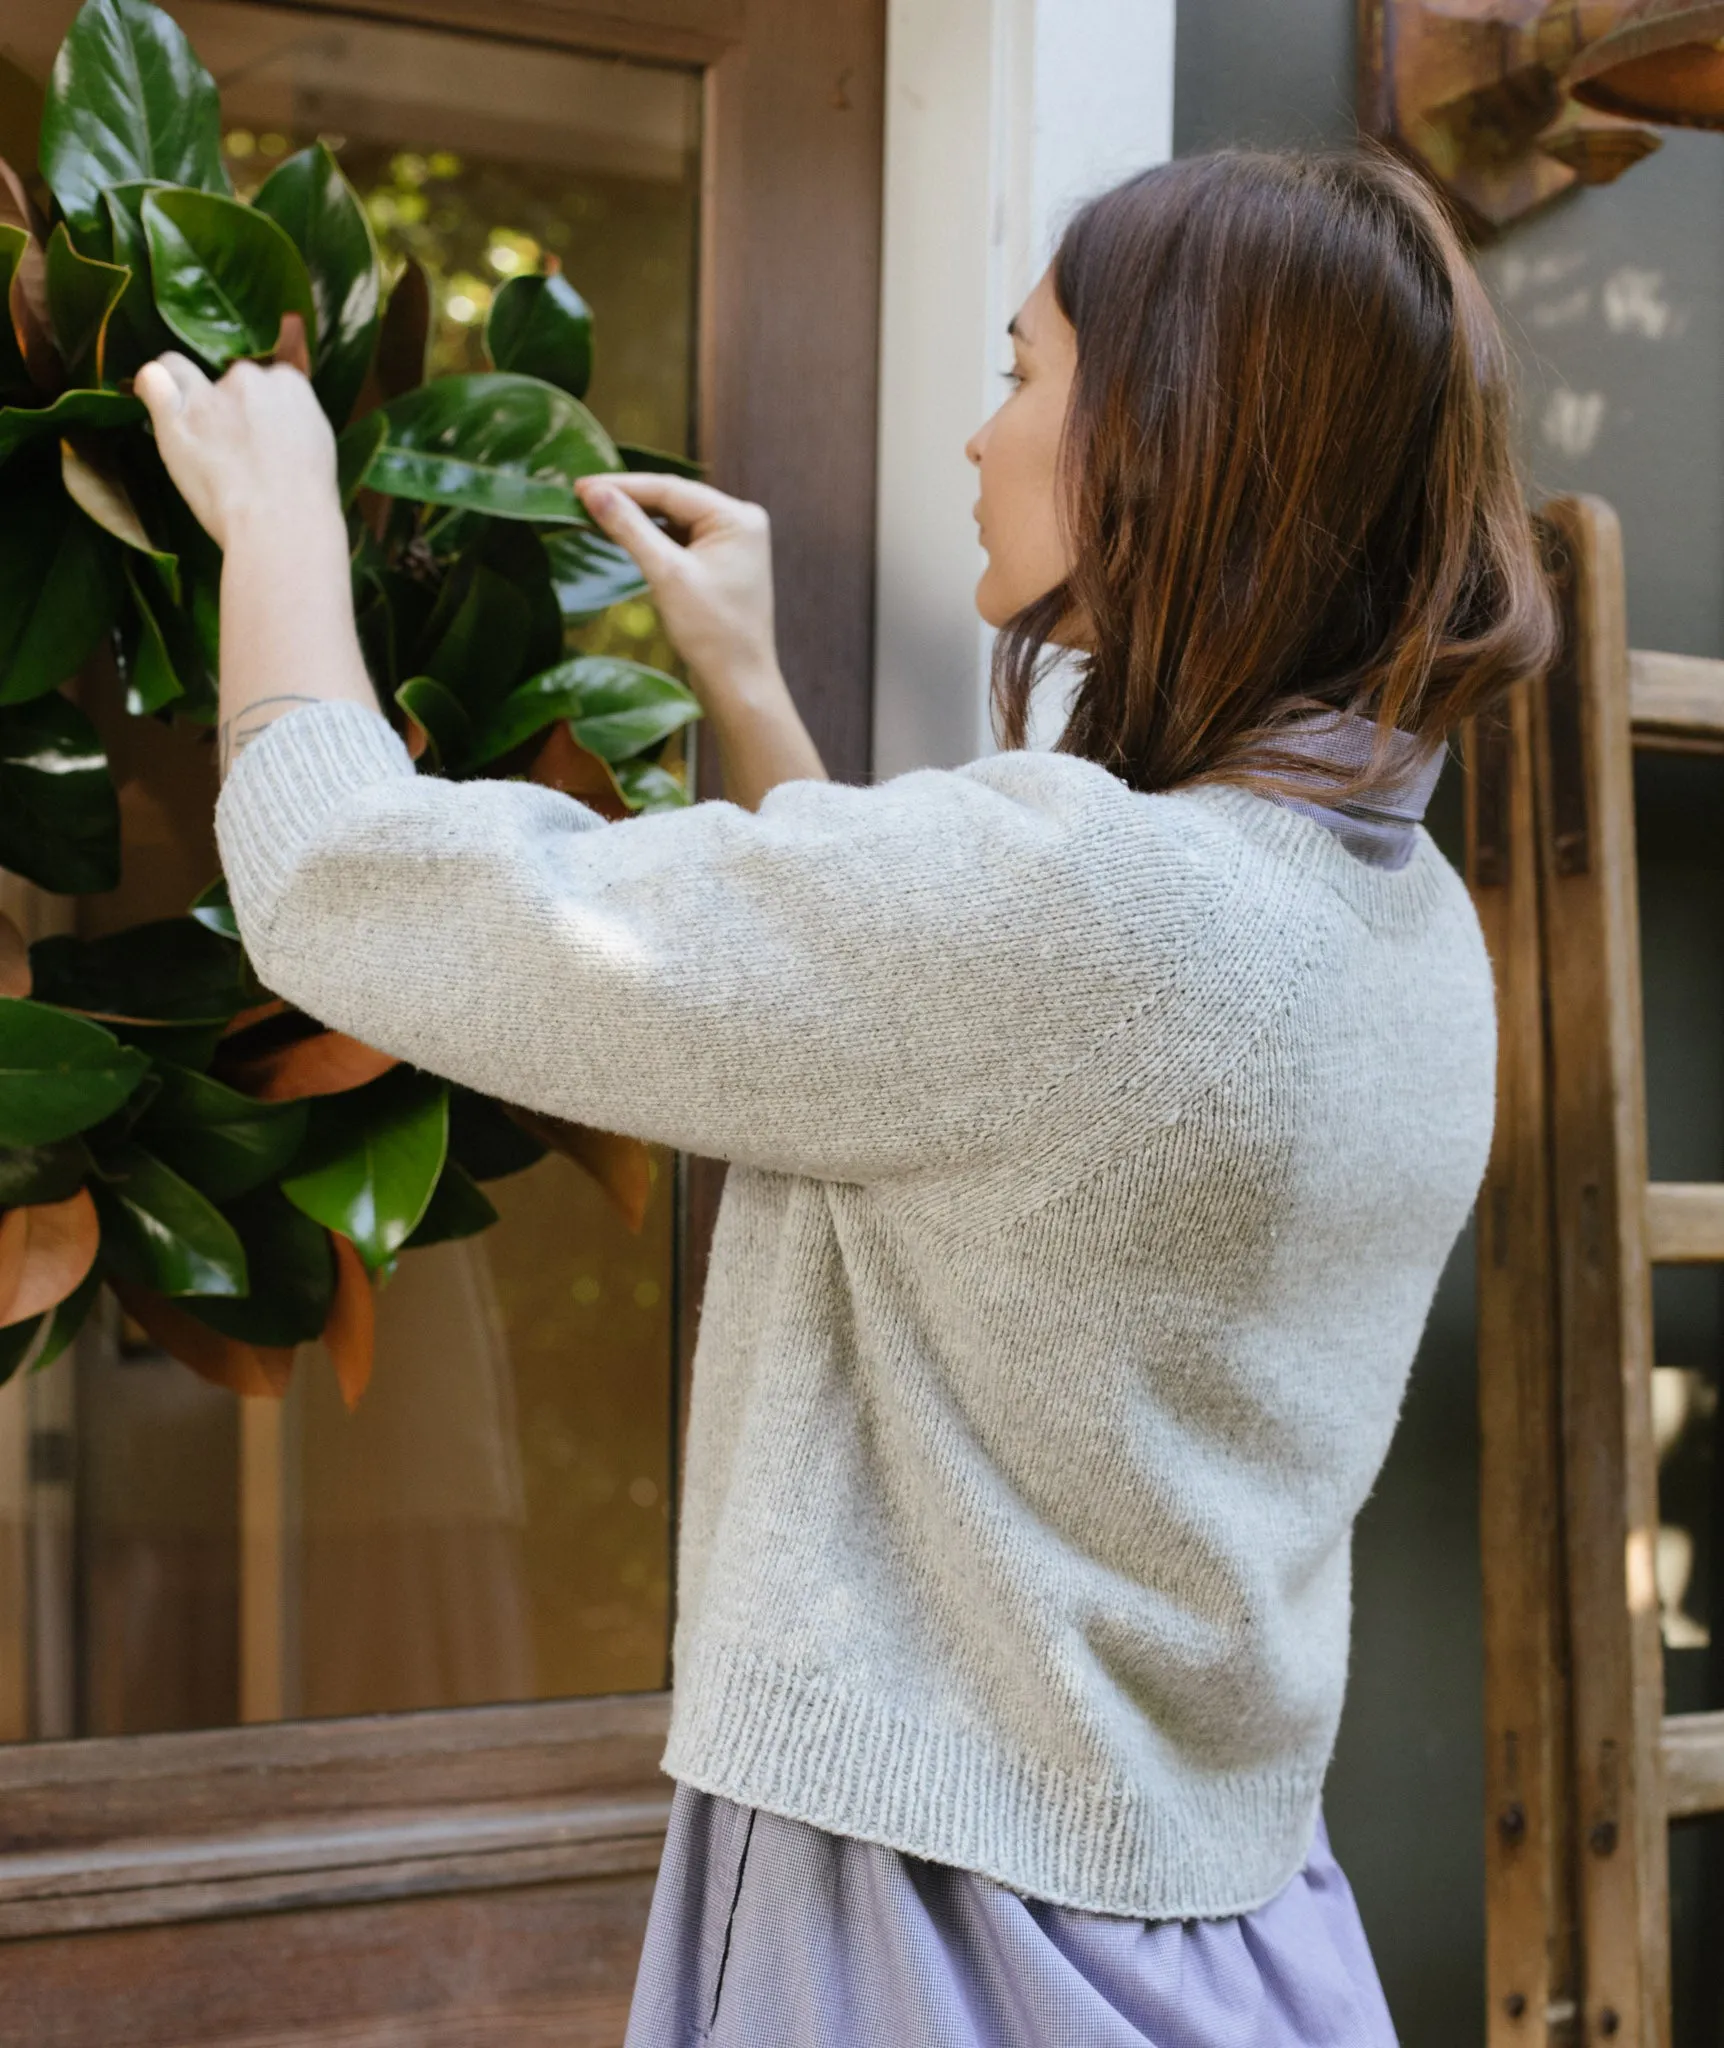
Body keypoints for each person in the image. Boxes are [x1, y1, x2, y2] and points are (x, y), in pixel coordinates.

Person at [136, 144, 1557, 2047]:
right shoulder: (1396, 927)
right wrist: (752, 693)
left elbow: (343, 886)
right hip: (1233, 1926)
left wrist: (283, 522)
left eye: (1024, 369)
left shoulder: (1087, 912)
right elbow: (946, 1077)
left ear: (1172, 436)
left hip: (936, 1941)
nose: (982, 437)